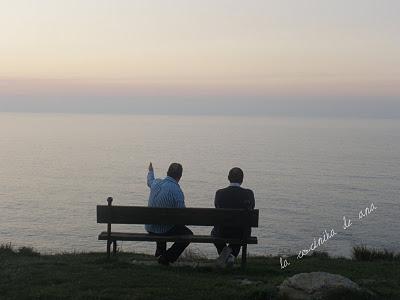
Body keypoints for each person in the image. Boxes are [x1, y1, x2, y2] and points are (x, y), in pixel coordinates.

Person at [145, 162, 193, 265]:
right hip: (163, 229)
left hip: (150, 227)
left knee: (161, 219)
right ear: (180, 176)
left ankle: (160, 252)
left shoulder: (156, 183)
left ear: (167, 172)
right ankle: (166, 257)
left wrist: (150, 171)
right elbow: (182, 214)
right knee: (188, 235)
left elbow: (150, 181)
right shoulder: (177, 191)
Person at [212, 167, 255, 267]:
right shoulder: (249, 194)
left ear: (228, 178)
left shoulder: (220, 193)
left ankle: (225, 256)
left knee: (214, 233)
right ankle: (231, 255)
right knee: (241, 230)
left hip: (222, 231)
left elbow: (217, 208)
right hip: (242, 232)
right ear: (242, 179)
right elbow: (251, 209)